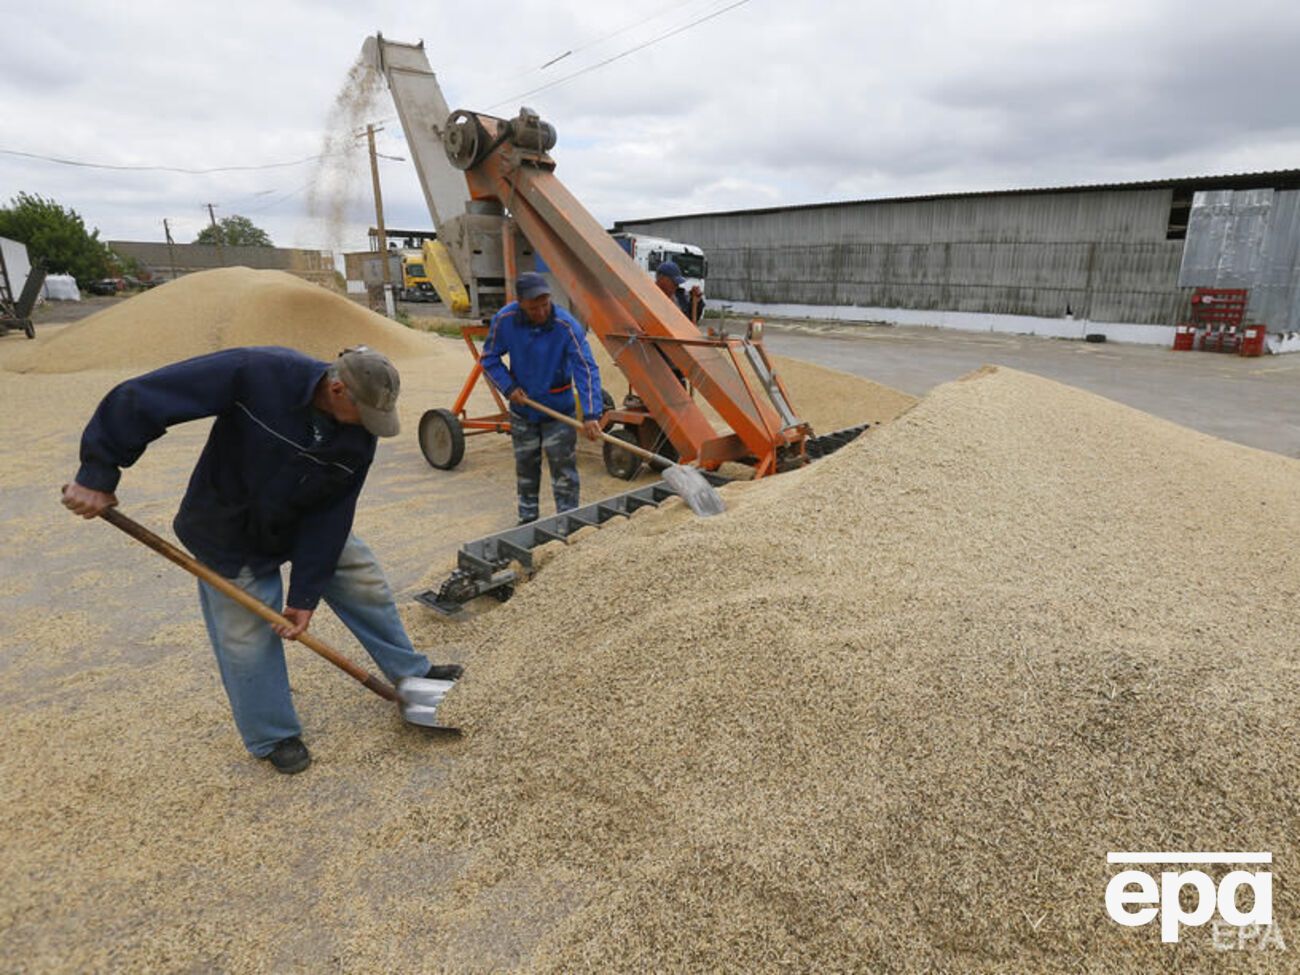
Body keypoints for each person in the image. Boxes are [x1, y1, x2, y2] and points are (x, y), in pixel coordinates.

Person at [61, 345, 461, 776]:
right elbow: (143, 398)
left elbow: (332, 514)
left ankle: (410, 674)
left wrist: (304, 597)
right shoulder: (259, 372)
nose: (368, 426)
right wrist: (97, 473)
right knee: (246, 636)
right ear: (337, 389)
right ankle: (274, 735)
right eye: (363, 413)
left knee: (362, 579)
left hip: (302, 519)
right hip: (228, 527)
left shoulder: (359, 434)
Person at [480, 272, 603, 525]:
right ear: (520, 303)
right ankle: (528, 521)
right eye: (533, 308)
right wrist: (508, 388)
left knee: (564, 470)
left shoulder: (565, 326)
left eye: (545, 305)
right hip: (523, 410)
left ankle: (568, 521)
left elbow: (586, 368)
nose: (541, 312)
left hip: (559, 412)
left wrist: (591, 413)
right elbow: (489, 359)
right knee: (526, 468)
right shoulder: (505, 320)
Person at [654, 260, 705, 324]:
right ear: (661, 278)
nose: (676, 286)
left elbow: (690, 321)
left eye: (677, 283)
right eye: (674, 282)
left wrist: (697, 302)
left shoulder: (680, 297)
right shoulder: (649, 298)